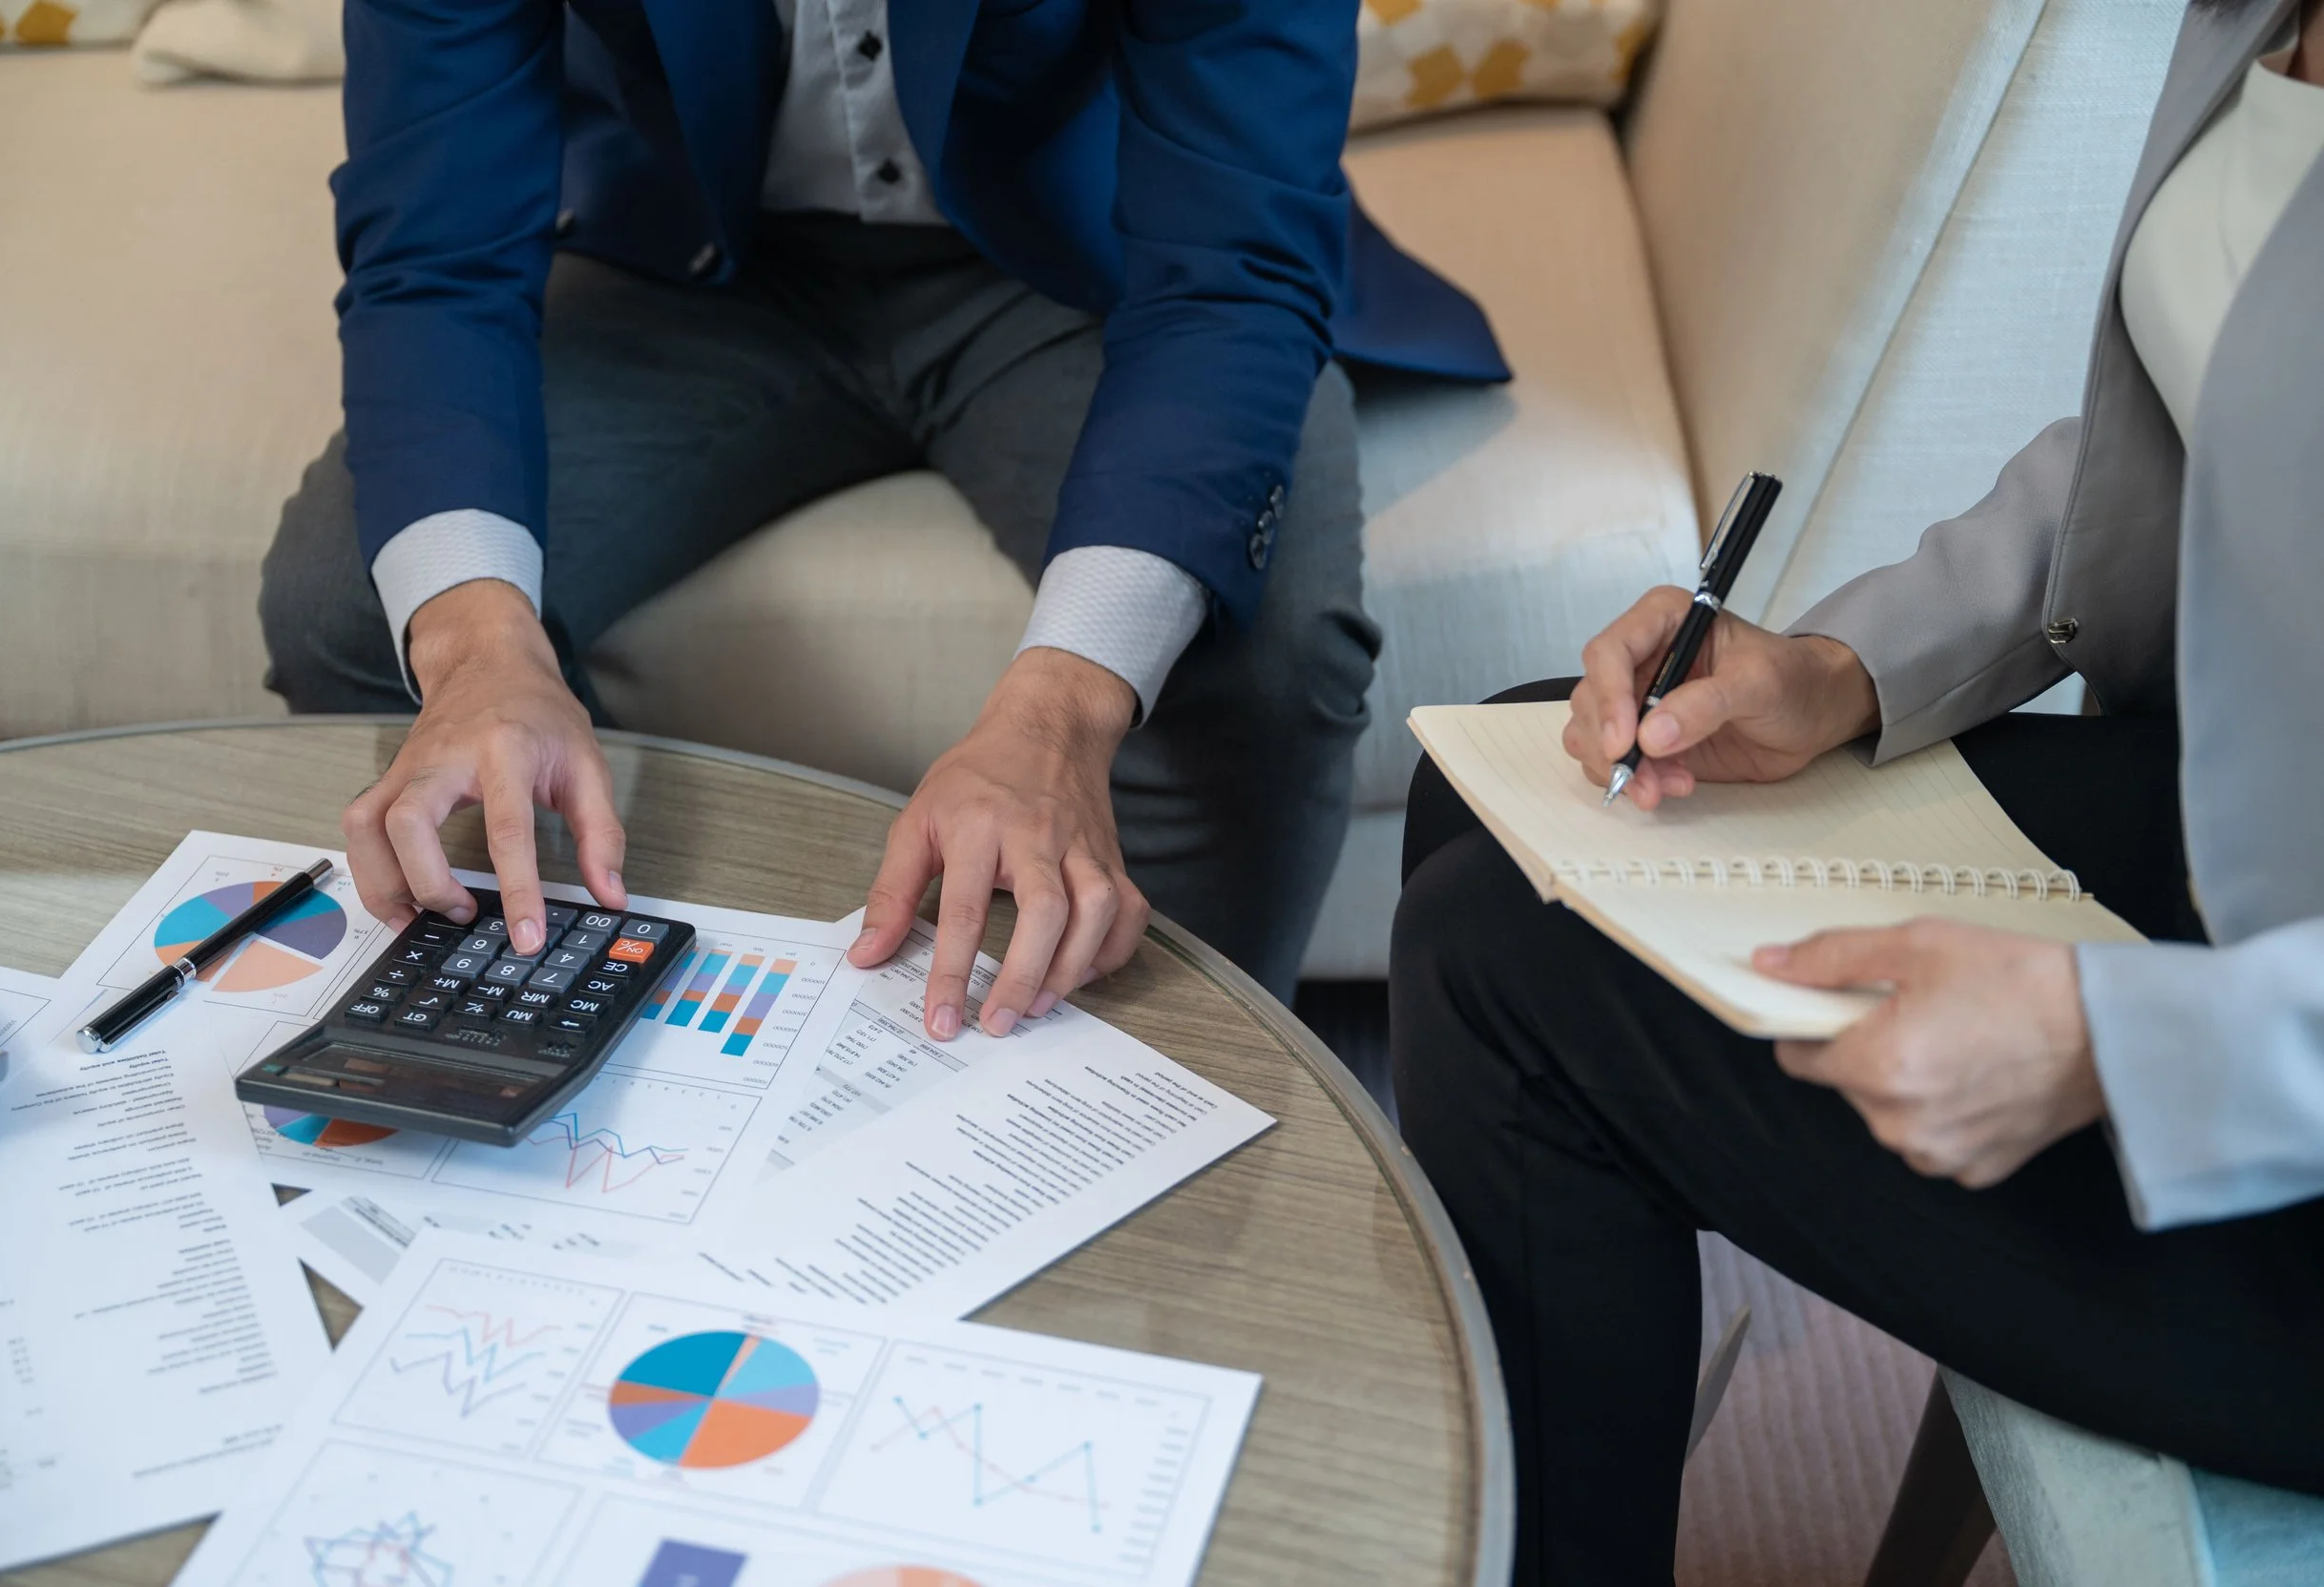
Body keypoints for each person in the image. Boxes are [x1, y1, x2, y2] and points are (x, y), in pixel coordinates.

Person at [1390, 0, 2324, 1578]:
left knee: (1500, 978)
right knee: (1517, 788)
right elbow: (2196, 414)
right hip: (2232, 844)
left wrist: (2120, 1046)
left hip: (2271, 1086)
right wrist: (1842, 668)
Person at [259, 0, 1505, 1034]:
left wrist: (1063, 706)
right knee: (354, 605)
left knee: (1266, 648)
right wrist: (482, 655)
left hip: (1087, 259)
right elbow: (432, 240)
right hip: (701, 255)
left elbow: (1230, 267)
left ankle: (1181, 1122)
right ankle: (550, 1073)